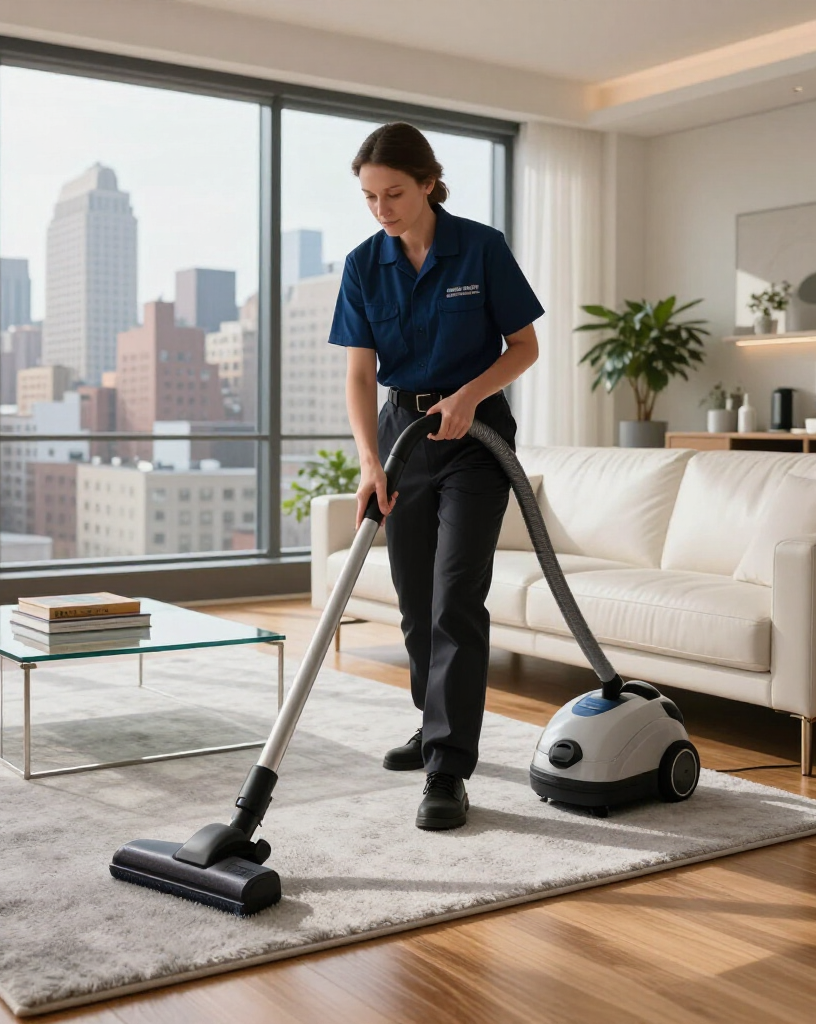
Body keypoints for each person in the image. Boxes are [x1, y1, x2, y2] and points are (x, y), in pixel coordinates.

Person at [328, 122, 544, 830]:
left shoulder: (480, 248)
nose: (382, 208)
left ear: (427, 182)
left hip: (475, 441)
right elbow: (361, 374)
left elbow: (524, 347)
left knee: (456, 596)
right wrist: (369, 461)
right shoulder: (364, 264)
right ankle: (431, 723)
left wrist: (471, 393)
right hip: (401, 438)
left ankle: (449, 767)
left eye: (394, 193)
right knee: (415, 600)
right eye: (369, 197)